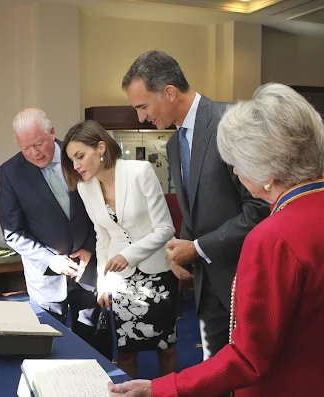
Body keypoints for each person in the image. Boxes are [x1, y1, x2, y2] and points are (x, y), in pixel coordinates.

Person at [108, 83, 324, 397]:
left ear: (267, 172)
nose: (234, 170)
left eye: (237, 162)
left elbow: (248, 359)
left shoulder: (273, 237)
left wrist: (160, 388)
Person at [122, 50, 269, 361]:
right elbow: (193, 207)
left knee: (249, 373)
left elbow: (259, 209)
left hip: (245, 280)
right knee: (215, 371)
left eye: (143, 106)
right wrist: (183, 249)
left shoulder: (232, 123)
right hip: (206, 282)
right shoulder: (175, 142)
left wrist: (198, 247)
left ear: (170, 93)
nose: (141, 118)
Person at [61, 120, 178, 378]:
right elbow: (102, 237)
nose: (76, 165)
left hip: (157, 274)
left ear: (101, 147)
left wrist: (127, 255)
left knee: (165, 349)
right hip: (121, 280)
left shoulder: (140, 171)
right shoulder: (85, 188)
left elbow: (165, 229)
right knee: (125, 352)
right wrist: (103, 282)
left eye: (80, 156)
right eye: (72, 160)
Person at [0, 108, 110, 358]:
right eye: (25, 148)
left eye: (39, 144)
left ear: (52, 132)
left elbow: (102, 210)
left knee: (94, 345)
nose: (34, 153)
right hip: (46, 280)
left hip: (88, 272)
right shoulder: (10, 173)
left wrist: (91, 247)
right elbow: (13, 232)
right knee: (48, 351)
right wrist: (50, 260)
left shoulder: (78, 156)